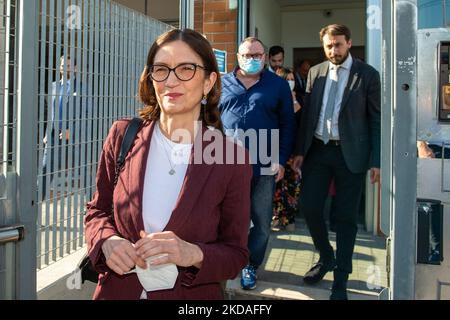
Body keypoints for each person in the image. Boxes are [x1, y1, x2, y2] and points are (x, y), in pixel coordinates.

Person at [84, 28, 253, 300]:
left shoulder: (232, 159)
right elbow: (97, 211)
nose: (171, 81)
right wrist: (107, 241)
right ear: (151, 79)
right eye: (161, 69)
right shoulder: (122, 135)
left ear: (209, 82)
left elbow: (236, 254)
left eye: (186, 69)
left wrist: (192, 253)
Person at [292, 24, 381, 300]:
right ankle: (326, 256)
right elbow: (307, 116)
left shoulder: (367, 75)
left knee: (345, 218)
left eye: (338, 44)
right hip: (318, 150)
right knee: (309, 207)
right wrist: (300, 151)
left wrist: (376, 160)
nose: (333, 50)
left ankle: (341, 278)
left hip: (350, 154)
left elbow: (376, 120)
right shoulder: (316, 72)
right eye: (329, 46)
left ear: (349, 43)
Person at [219, 37, 296, 290]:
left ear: (264, 57)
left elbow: (288, 124)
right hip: (225, 165)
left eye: (257, 55)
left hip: (264, 165)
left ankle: (251, 264)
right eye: (247, 55)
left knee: (261, 221)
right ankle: (222, 261)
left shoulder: (278, 85)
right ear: (237, 56)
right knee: (223, 217)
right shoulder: (220, 84)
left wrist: (281, 159)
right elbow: (209, 121)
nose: (252, 60)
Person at [41, 55, 84, 200]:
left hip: (74, 139)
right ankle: (33, 208)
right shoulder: (54, 86)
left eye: (69, 65)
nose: (65, 68)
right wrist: (47, 133)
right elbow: (50, 113)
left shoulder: (82, 88)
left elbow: (87, 114)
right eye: (62, 65)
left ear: (75, 68)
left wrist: (72, 131)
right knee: (45, 171)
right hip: (54, 137)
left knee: (84, 174)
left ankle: (93, 208)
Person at [272, 67, 301, 232]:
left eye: (292, 79)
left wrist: (295, 101)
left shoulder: (299, 99)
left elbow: (301, 121)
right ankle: (276, 217)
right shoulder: (275, 98)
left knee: (292, 185)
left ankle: (289, 218)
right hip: (277, 148)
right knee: (276, 186)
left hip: (294, 151)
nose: (291, 82)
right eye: (287, 79)